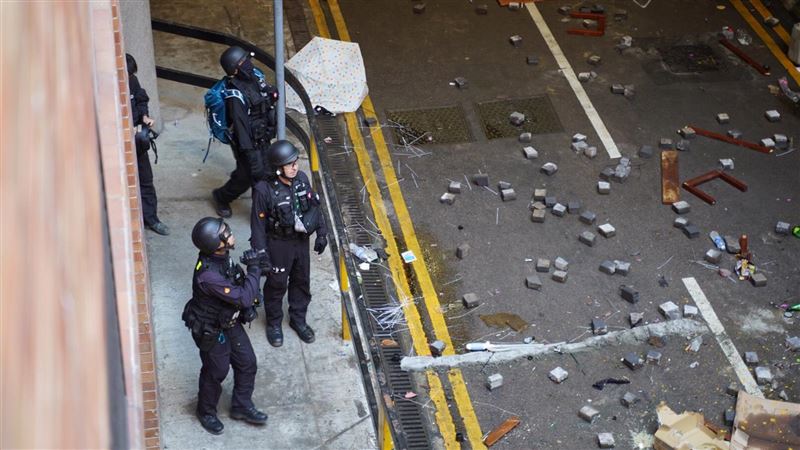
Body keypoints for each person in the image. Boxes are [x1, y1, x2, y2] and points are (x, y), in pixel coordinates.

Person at [182, 217, 270, 435]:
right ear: (215, 243)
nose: (230, 233)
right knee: (216, 371)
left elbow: (241, 283)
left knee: (247, 362)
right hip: (211, 329)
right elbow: (243, 298)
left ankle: (241, 406)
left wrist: (258, 269)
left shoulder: (223, 259)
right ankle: (206, 412)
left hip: (229, 321)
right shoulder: (208, 275)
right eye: (225, 232)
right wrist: (254, 270)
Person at [250, 140, 328, 347]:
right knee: (276, 285)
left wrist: (322, 233)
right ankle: (274, 323)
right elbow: (257, 226)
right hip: (278, 244)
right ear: (277, 168)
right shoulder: (263, 190)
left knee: (301, 281)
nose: (295, 166)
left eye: (295, 162)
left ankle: (298, 320)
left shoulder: (301, 180)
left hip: (300, 243)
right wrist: (262, 255)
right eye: (290, 164)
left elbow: (314, 206)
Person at [211, 46, 279, 218]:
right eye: (242, 62)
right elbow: (241, 129)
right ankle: (223, 197)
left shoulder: (254, 77)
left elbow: (265, 97)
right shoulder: (234, 95)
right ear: (234, 70)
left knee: (265, 173)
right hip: (247, 144)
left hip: (262, 136)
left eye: (246, 59)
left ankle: (264, 210)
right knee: (251, 176)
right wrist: (250, 156)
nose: (247, 63)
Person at [126, 54, 169, 235]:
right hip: (119, 144)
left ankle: (151, 219)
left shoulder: (131, 80)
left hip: (137, 140)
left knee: (146, 181)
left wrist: (144, 116)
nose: (128, 78)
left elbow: (141, 99)